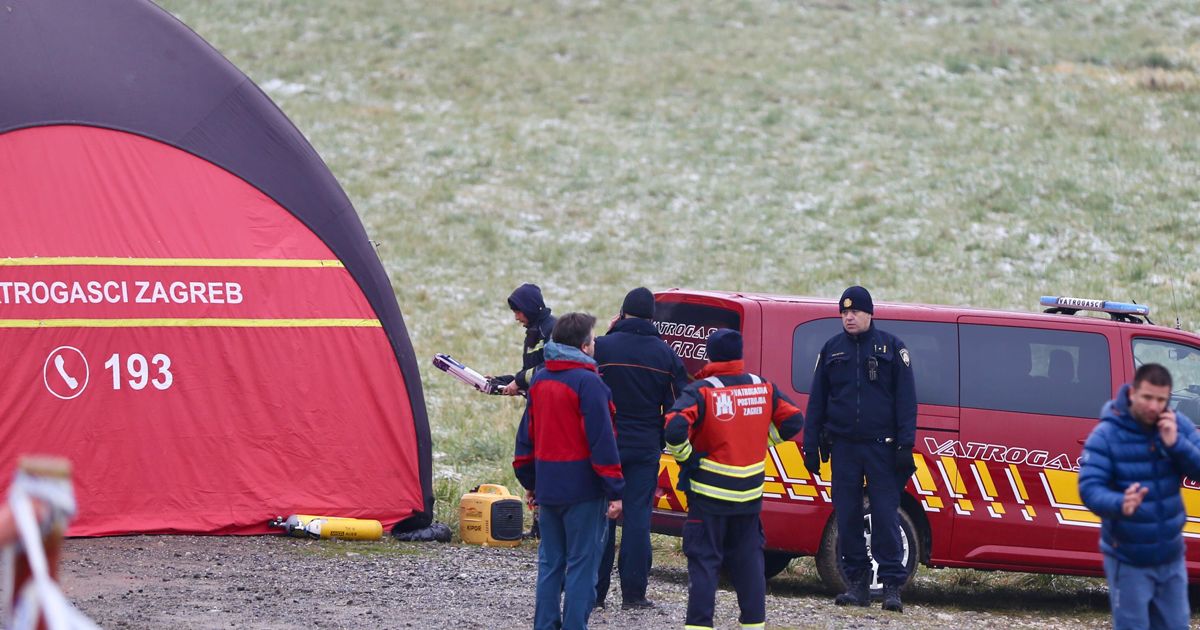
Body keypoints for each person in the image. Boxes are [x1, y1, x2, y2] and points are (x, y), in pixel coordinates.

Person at [664, 329, 804, 630]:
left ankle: (699, 626)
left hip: (709, 495)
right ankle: (753, 625)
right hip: (749, 495)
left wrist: (687, 457)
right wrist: (762, 441)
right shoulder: (761, 385)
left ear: (711, 354)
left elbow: (674, 428)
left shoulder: (703, 390)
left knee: (705, 562)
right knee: (750, 562)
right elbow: (794, 421)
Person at [802, 285, 916, 612]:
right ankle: (857, 585)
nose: (848, 317)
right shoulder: (832, 349)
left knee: (883, 516)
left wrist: (905, 445)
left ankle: (892, 585)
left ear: (869, 314)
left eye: (855, 312)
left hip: (882, 449)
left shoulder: (892, 348)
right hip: (844, 448)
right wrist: (811, 445)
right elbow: (817, 402)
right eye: (844, 312)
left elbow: (906, 401)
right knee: (849, 516)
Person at [513, 312, 625, 630]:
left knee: (550, 563)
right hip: (584, 491)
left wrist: (530, 481)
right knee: (581, 565)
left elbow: (526, 437)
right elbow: (602, 442)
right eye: (592, 340)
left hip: (548, 486)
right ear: (584, 346)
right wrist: (615, 489)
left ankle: (545, 625)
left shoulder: (541, 381)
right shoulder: (590, 383)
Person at [1079, 363, 1200, 630]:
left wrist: (1176, 445)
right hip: (1128, 558)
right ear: (1132, 393)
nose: (1154, 406)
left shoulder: (1176, 425)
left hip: (1170, 556)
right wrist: (1119, 503)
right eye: (1147, 397)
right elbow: (1089, 488)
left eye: (1161, 399)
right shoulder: (1107, 435)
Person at [593, 287, 690, 610]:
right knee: (637, 520)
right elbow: (679, 406)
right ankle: (634, 595)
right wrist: (661, 439)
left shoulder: (603, 348)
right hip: (645, 447)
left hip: (605, 445)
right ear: (652, 318)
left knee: (602, 517)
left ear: (622, 313)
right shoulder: (665, 355)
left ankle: (596, 592)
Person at [498, 283, 557, 397]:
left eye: (518, 312)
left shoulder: (554, 330)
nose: (516, 318)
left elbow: (552, 366)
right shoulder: (534, 332)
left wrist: (518, 381)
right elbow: (530, 372)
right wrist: (502, 381)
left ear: (529, 309)